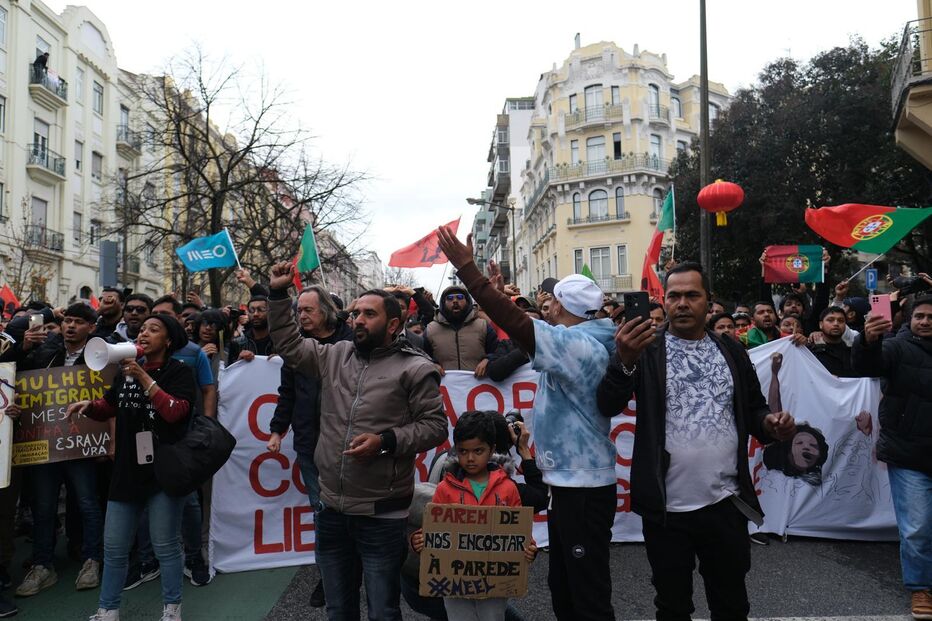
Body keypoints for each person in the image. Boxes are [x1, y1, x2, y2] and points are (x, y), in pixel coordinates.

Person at [596, 261, 796, 621]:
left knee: (731, 604)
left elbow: (754, 408)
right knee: (672, 606)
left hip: (725, 504)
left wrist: (770, 424)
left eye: (692, 295)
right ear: (664, 301)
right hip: (666, 510)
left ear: (709, 301)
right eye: (674, 296)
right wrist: (624, 360)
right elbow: (608, 403)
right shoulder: (646, 349)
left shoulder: (731, 350)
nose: (682, 303)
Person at [437, 227, 618, 621]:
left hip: (581, 488)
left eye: (550, 302)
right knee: (565, 587)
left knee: (586, 594)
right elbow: (520, 329)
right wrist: (497, 299)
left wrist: (469, 273)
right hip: (569, 484)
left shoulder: (578, 345)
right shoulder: (583, 337)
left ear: (560, 306)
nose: (545, 308)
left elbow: (520, 326)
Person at [267, 262, 448, 621]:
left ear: (393, 324)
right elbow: (288, 344)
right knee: (338, 609)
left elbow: (435, 427)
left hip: (382, 513)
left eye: (369, 314)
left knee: (382, 610)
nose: (358, 320)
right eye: (355, 314)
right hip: (332, 509)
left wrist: (385, 441)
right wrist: (276, 294)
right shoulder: (334, 356)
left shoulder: (414, 368)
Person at [68, 314, 197, 621]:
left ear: (168, 340)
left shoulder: (179, 371)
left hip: (163, 472)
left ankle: (172, 609)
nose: (143, 334)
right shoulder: (125, 372)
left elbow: (175, 412)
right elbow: (110, 405)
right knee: (114, 547)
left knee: (165, 546)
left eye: (154, 329)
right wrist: (90, 407)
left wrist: (143, 376)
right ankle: (108, 609)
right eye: (142, 330)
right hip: (127, 471)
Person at [267, 285, 352, 608]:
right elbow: (287, 393)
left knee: (352, 511)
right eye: (298, 310)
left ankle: (356, 568)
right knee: (323, 512)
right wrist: (277, 429)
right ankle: (329, 578)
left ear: (326, 311)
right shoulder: (296, 349)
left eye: (307, 310)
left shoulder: (352, 342)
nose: (301, 315)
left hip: (347, 443)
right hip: (309, 443)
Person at [14, 304, 104, 597]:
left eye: (78, 322)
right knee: (44, 507)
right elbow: (19, 379)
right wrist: (24, 348)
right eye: (67, 321)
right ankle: (43, 565)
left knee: (88, 504)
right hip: (47, 444)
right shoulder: (45, 354)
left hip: (82, 445)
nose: (70, 326)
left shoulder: (101, 356)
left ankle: (92, 559)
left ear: (92, 327)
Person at [411, 411, 536, 621]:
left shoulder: (508, 489)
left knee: (493, 617)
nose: (470, 458)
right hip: (454, 582)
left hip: (494, 582)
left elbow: (519, 533)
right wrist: (419, 540)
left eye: (478, 451)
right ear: (456, 450)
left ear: (492, 450)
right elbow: (433, 530)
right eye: (463, 451)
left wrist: (529, 548)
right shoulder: (444, 489)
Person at [852, 295, 932, 619]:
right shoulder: (896, 347)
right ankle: (921, 587)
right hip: (908, 453)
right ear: (909, 320)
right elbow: (867, 365)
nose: (925, 321)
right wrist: (868, 341)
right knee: (917, 526)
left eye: (931, 316)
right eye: (920, 316)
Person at [422, 285, 498, 376]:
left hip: (478, 383)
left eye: (460, 297)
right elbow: (422, 357)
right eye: (450, 298)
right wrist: (432, 364)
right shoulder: (431, 330)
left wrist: (488, 360)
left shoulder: (483, 326)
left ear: (467, 301)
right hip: (443, 384)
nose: (455, 301)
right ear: (443, 303)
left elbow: (497, 351)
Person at [808, 306, 855, 377]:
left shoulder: (853, 353)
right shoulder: (810, 351)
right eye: (830, 320)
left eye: (841, 320)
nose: (836, 324)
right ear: (821, 325)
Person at [227, 296, 274, 361]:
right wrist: (239, 361)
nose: (255, 314)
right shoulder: (238, 343)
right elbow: (231, 366)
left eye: (261, 309)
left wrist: (281, 360)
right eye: (251, 310)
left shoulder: (279, 342)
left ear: (270, 312)